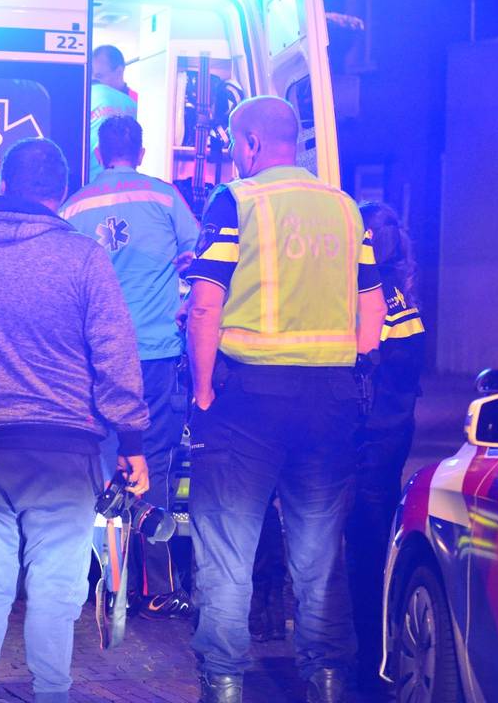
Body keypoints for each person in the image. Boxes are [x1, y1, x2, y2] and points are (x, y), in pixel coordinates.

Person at [182, 96, 388, 703]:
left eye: (231, 145)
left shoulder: (238, 200)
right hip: (328, 404)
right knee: (320, 554)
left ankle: (222, 685)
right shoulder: (346, 208)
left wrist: (201, 390)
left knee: (226, 548)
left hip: (247, 402)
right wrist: (353, 373)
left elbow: (204, 303)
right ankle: (327, 681)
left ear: (248, 144)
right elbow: (372, 310)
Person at [0, 137, 151, 703]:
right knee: (55, 584)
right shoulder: (84, 257)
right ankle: (52, 694)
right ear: (61, 192)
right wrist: (132, 439)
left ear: (4, 181)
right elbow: (115, 354)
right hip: (65, 446)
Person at [61, 115, 199, 619]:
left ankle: (94, 580)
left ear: (99, 152)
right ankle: (155, 585)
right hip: (155, 354)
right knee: (154, 463)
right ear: (140, 151)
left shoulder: (74, 205)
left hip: (96, 358)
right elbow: (198, 257)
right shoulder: (165, 199)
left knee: (97, 464)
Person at [345, 201, 426, 689]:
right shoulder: (400, 294)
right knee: (371, 547)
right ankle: (377, 656)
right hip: (391, 434)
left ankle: (369, 668)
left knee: (365, 553)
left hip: (371, 439)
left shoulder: (368, 295)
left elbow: (362, 366)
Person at [89, 45, 139, 181]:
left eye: (99, 76)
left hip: (126, 181)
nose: (93, 81)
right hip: (96, 180)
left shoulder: (139, 101)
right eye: (91, 76)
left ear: (119, 71)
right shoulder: (87, 98)